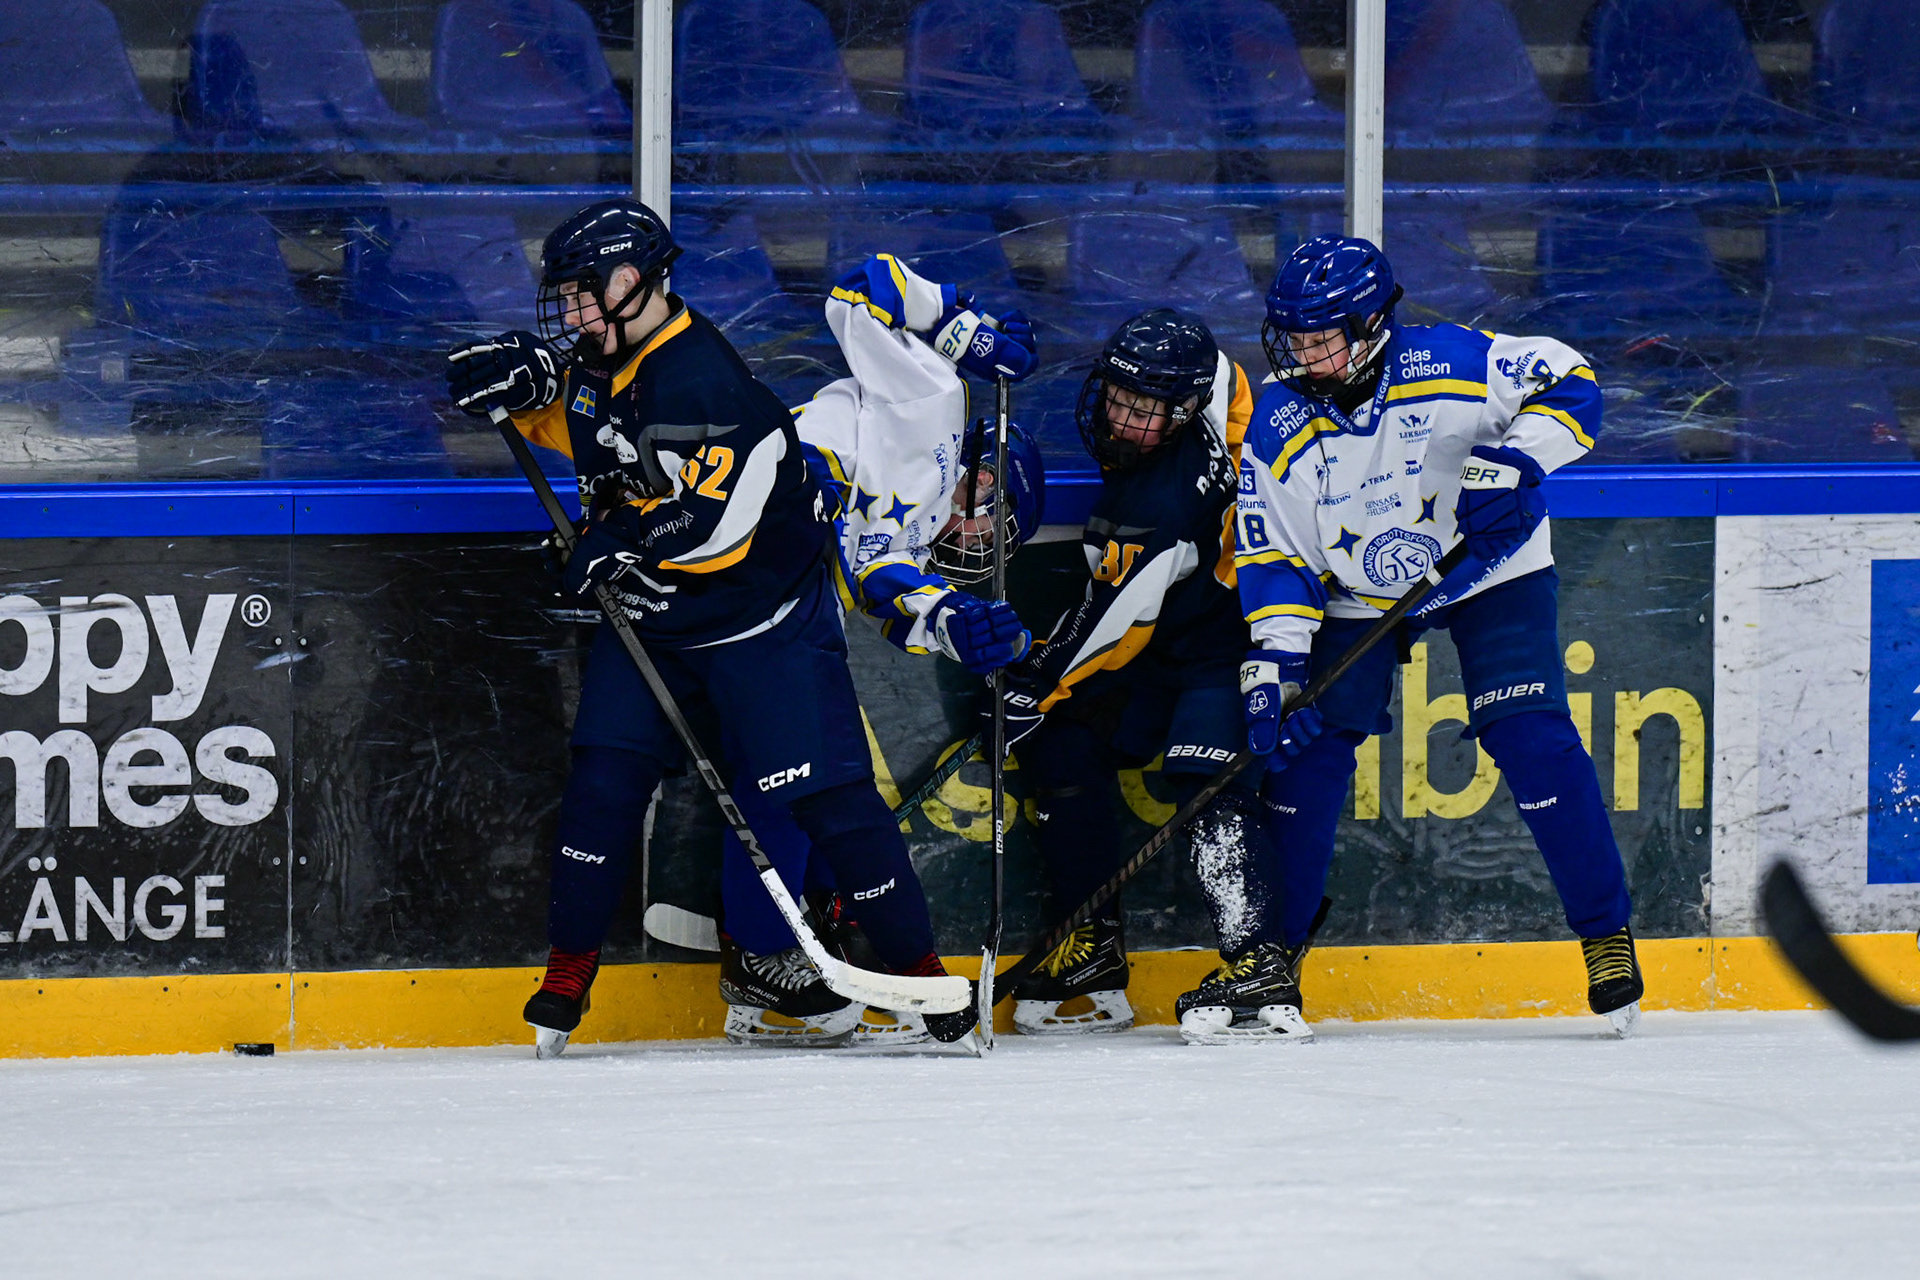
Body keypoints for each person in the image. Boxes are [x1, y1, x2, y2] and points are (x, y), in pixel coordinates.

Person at [443, 199, 977, 1056]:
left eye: (581, 294)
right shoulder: (608, 357)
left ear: (630, 282)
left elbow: (718, 524)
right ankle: (568, 970)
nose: (570, 312)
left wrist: (621, 539)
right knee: (603, 788)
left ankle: (918, 971)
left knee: (833, 803)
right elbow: (599, 435)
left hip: (763, 627)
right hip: (656, 622)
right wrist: (533, 393)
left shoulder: (705, 381)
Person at [1203, 233, 1641, 1044]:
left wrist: (1516, 463)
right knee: (1303, 751)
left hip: (1489, 571)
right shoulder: (1278, 418)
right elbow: (1277, 556)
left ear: (1372, 325)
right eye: (1293, 336)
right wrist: (1277, 662)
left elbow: (1573, 379)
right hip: (1358, 597)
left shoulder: (1455, 362)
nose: (1303, 353)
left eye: (1322, 337)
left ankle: (1604, 932)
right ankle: (1272, 960)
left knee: (1532, 738)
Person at [712, 252, 1046, 1048]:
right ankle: (758, 951)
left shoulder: (924, 523)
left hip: (767, 588)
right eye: (986, 513)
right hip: (734, 539)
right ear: (984, 467)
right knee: (789, 773)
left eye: (987, 538)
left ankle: (797, 929)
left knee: (810, 774)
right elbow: (859, 291)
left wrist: (954, 621)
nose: (973, 534)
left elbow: (879, 581)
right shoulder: (938, 401)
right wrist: (959, 324)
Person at [991, 308, 1255, 1037]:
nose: (1122, 419)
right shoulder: (1210, 400)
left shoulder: (1152, 505)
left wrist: (1034, 686)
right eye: (1119, 398)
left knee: (1208, 787)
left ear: (1183, 412)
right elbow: (1225, 373)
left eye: (1145, 410)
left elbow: (1111, 627)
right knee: (1064, 744)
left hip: (1226, 650)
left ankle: (1257, 963)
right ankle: (1093, 945)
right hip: (1171, 639)